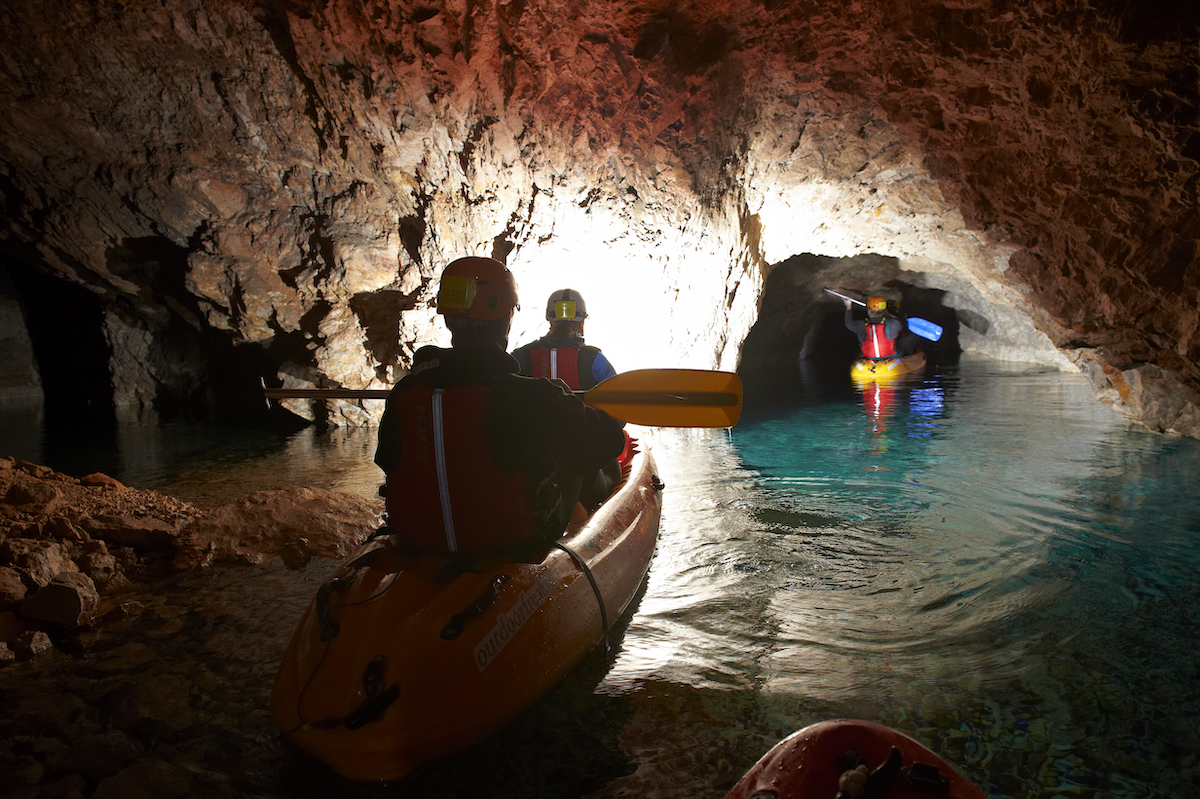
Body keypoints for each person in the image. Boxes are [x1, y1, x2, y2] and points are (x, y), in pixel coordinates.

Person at [373, 257, 625, 559]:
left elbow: (387, 461)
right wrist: (572, 411)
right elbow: (606, 444)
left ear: (449, 319)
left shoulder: (406, 392)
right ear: (506, 318)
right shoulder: (532, 396)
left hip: (422, 540)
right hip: (514, 541)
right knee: (573, 453)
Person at [510, 289, 616, 391]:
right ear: (582, 323)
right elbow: (616, 395)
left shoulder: (522, 356)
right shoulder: (594, 359)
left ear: (550, 322)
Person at [843, 295, 911, 359]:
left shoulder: (861, 325)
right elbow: (903, 326)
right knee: (905, 338)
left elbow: (849, 323)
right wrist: (890, 316)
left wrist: (848, 307)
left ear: (869, 311)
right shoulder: (893, 323)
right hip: (892, 356)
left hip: (868, 358)